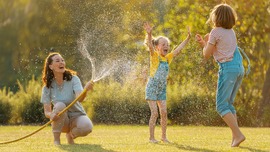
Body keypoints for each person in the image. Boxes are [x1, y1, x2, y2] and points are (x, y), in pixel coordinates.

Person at [195, 4, 246, 147]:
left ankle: (238, 134)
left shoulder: (215, 32)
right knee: (228, 104)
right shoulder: (231, 32)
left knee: (221, 106)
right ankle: (235, 138)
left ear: (216, 17)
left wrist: (205, 44)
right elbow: (220, 49)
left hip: (227, 69)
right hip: (238, 69)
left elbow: (206, 54)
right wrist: (206, 42)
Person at [143, 22, 191, 143]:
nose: (166, 46)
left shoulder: (168, 58)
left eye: (167, 45)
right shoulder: (154, 56)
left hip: (162, 89)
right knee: (154, 113)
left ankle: (164, 137)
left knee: (164, 112)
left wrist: (188, 38)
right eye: (163, 44)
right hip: (152, 88)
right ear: (157, 47)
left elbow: (178, 50)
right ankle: (151, 138)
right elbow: (149, 46)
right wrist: (149, 34)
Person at [40, 52, 94, 145]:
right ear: (51, 66)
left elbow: (80, 99)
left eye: (62, 60)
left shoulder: (74, 79)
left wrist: (85, 90)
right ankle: (56, 140)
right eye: (57, 61)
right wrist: (51, 115)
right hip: (61, 122)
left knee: (87, 127)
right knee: (60, 105)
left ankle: (71, 135)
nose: (61, 62)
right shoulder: (47, 87)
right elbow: (47, 111)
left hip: (77, 116)